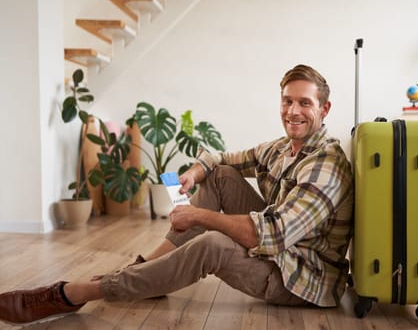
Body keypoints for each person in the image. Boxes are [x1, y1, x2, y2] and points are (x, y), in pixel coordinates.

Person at [0, 64, 354, 325]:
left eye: (305, 104)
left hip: (303, 278)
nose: (293, 112)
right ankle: (146, 272)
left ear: (324, 109)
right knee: (223, 177)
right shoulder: (283, 148)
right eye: (287, 101)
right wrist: (197, 171)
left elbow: (273, 235)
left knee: (212, 244)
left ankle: (73, 294)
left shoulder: (325, 165)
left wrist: (199, 216)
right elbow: (225, 159)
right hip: (285, 253)